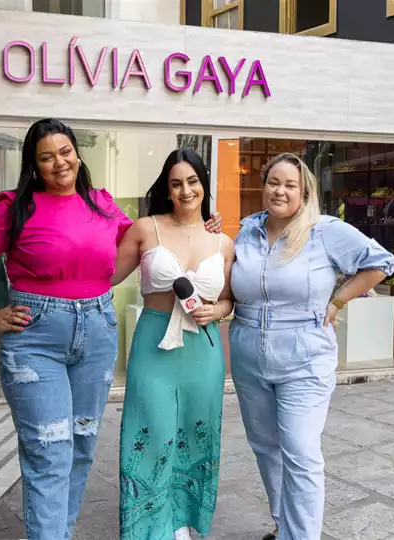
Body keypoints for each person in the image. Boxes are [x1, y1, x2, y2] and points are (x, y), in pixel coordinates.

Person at [0, 118, 221, 540]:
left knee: (79, 447)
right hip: (36, 338)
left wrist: (198, 225)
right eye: (46, 157)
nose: (59, 163)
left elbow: (151, 237)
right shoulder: (15, 207)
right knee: (50, 450)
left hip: (96, 332)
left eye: (65, 152)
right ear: (34, 165)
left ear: (78, 155)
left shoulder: (101, 204)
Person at [229, 153, 394, 540]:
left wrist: (337, 301)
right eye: (274, 182)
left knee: (301, 451)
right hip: (248, 352)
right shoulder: (247, 231)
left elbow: (381, 263)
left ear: (304, 192)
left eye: (290, 185)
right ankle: (283, 525)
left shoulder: (324, 231)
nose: (280, 191)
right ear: (263, 186)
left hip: (304, 356)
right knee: (265, 447)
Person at [113, 149, 235, 540]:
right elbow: (105, 275)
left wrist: (217, 311)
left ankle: (182, 522)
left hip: (203, 350)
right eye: (176, 183)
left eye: (193, 181)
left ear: (204, 185)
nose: (186, 191)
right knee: (150, 430)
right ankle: (150, 528)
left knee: (197, 434)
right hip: (154, 345)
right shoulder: (145, 229)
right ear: (166, 189)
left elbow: (230, 300)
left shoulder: (223, 242)